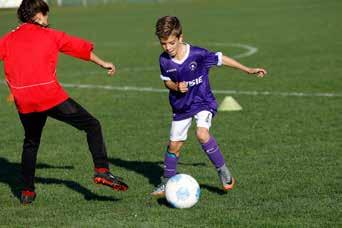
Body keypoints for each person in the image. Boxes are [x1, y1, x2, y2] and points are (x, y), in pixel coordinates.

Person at [0, 0, 128, 204]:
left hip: (24, 100)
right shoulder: (51, 35)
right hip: (50, 96)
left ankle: (26, 192)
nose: (47, 19)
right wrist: (104, 63)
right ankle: (102, 171)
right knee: (92, 125)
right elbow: (81, 49)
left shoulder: (8, 38)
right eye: (46, 15)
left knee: (31, 142)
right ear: (39, 15)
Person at [151, 16, 267, 196]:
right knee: (174, 146)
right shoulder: (164, 60)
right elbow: (167, 82)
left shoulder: (198, 54)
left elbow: (222, 59)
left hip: (203, 101)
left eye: (171, 43)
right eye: (163, 44)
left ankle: (223, 172)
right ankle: (166, 183)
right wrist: (176, 86)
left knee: (202, 133)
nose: (168, 48)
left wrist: (248, 69)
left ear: (181, 37)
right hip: (181, 106)